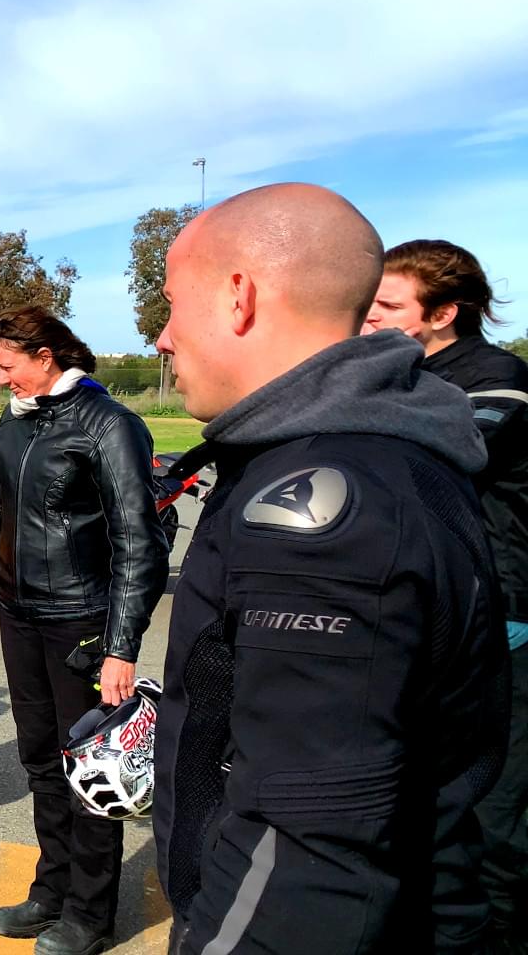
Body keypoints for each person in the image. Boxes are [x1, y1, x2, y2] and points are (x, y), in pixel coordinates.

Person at [152, 184, 506, 953]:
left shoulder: (323, 506)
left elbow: (308, 848)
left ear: (238, 296)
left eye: (173, 304)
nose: (161, 337)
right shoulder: (354, 452)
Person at [0, 306, 167, 955]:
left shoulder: (108, 425)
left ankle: (90, 914)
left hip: (81, 622)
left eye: (7, 366)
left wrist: (120, 646)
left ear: (44, 356)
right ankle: (50, 890)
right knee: (42, 763)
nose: (0, 381)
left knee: (89, 773)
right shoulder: (16, 423)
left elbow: (141, 541)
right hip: (20, 616)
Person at [364, 239, 528, 949]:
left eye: (387, 307)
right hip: (421, 617)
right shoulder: (396, 375)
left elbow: (446, 454)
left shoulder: (496, 378)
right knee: (415, 798)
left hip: (498, 620)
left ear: (445, 313)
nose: (367, 319)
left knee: (493, 816)